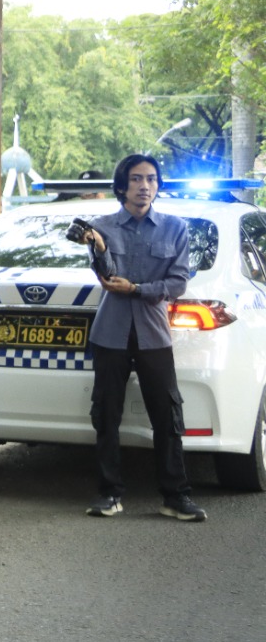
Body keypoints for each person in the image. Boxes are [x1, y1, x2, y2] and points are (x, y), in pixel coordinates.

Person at [80, 155, 203, 521]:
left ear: (157, 185)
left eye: (151, 179)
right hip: (110, 333)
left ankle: (175, 496)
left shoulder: (175, 228)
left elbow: (178, 283)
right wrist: (99, 249)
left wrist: (136, 288)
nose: (144, 186)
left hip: (153, 334)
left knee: (167, 416)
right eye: (136, 179)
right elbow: (105, 276)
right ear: (122, 186)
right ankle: (109, 493)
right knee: (106, 415)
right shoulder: (100, 226)